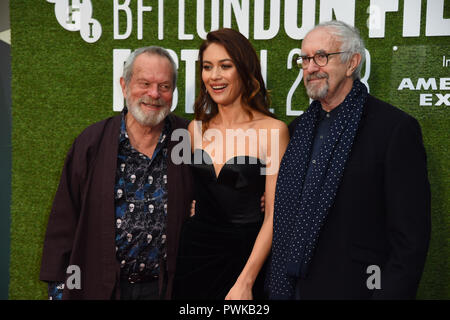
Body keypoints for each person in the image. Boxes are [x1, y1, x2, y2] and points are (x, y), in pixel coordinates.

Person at [269, 20, 431, 299]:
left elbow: (410, 241)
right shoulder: (296, 131)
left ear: (351, 62)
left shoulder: (393, 129)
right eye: (305, 59)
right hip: (291, 288)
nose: (310, 68)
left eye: (321, 57)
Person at [40, 46, 193, 299]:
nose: (154, 94)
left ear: (173, 92)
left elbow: (218, 192)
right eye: (144, 83)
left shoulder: (188, 139)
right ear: (125, 85)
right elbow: (65, 220)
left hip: (169, 289)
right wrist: (59, 289)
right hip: (104, 289)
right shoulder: (92, 142)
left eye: (164, 86)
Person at [172, 28, 289, 300]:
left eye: (225, 66)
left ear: (245, 70)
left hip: (247, 258)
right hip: (194, 256)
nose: (214, 76)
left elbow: (274, 215)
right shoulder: (194, 130)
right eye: (207, 67)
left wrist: (246, 281)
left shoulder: (273, 130)